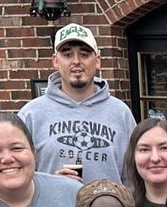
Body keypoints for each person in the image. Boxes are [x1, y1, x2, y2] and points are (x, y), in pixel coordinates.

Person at [18, 22, 136, 183]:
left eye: (84, 54)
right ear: (55, 61)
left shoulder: (121, 113)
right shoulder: (31, 114)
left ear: (98, 60)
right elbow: (18, 175)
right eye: (67, 55)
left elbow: (134, 178)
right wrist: (48, 185)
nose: (76, 61)